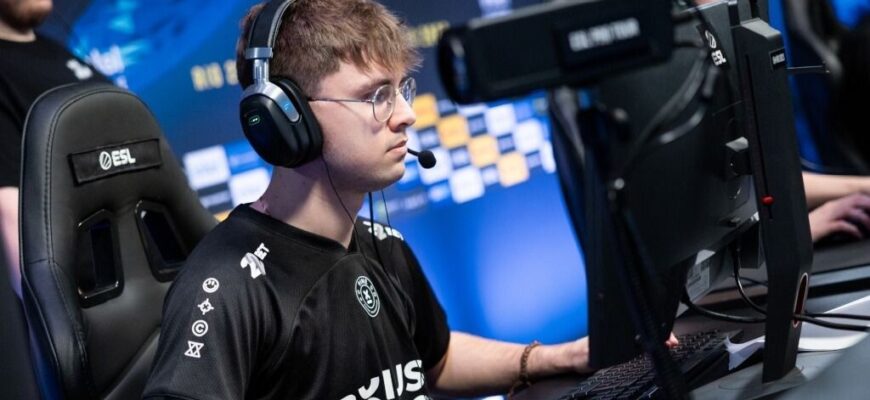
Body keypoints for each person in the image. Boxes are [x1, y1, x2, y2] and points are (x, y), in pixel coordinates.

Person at [143, 1, 680, 398]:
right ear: (287, 117)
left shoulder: (381, 243)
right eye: (376, 95)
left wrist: (552, 358)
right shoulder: (229, 284)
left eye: (401, 90)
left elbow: (435, 360)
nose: (405, 115)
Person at [0, 0, 107, 295]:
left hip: (156, 275)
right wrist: (52, 313)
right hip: (93, 299)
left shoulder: (56, 51)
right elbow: (10, 212)